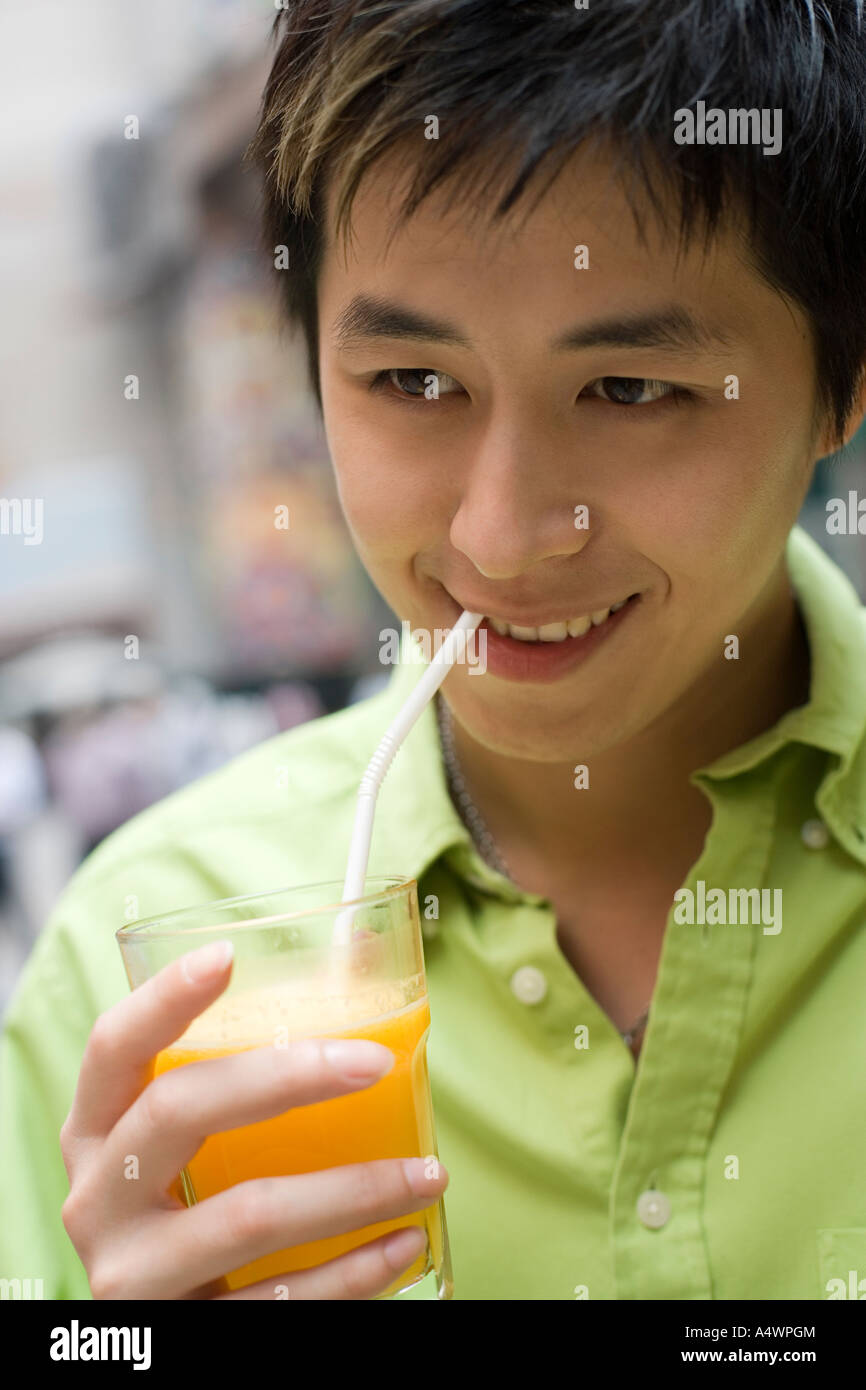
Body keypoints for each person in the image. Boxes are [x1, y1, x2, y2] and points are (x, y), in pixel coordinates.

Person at [2, 0, 866, 1301]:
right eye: (411, 381)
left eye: (629, 390)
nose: (502, 535)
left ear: (841, 388)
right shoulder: (140, 963)